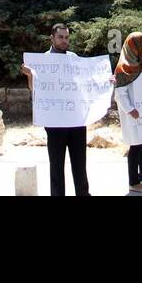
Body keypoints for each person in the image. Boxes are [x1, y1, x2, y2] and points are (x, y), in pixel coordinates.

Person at [21, 23, 88, 196]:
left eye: (67, 37)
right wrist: (30, 75)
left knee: (80, 164)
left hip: (76, 121)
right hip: (55, 123)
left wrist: (104, 81)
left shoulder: (74, 58)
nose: (64, 40)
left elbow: (86, 84)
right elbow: (34, 89)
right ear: (52, 38)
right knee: (56, 165)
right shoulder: (43, 61)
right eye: (61, 37)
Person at [112, 32, 142, 192]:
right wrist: (130, 109)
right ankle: (133, 182)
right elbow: (120, 93)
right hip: (133, 113)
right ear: (135, 47)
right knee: (135, 146)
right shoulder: (122, 68)